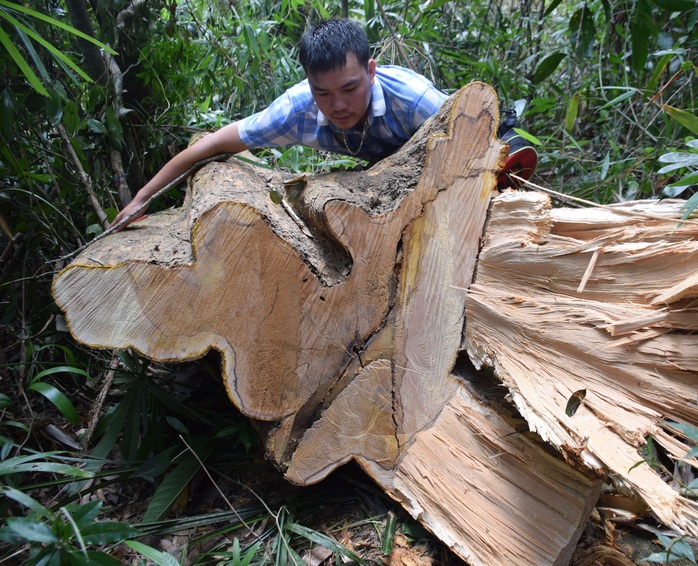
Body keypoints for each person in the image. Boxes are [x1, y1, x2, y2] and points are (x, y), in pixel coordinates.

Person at [110, 18, 447, 230]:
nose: (338, 105)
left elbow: (476, 137)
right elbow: (212, 145)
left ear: (371, 71)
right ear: (308, 84)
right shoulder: (295, 111)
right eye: (323, 93)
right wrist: (141, 198)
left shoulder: (414, 100)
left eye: (350, 88)